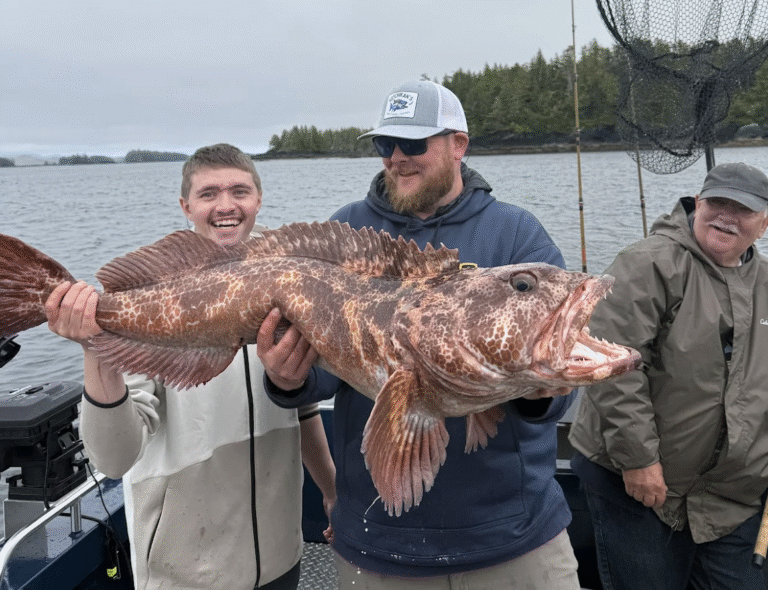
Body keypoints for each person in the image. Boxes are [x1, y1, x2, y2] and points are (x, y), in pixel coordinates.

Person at [257, 80, 581, 589]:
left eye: (413, 145)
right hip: (379, 544)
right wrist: (286, 378)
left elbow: (553, 393)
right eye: (386, 145)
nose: (397, 159)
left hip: (513, 536)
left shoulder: (515, 237)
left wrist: (544, 390)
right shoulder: (346, 234)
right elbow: (320, 382)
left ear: (459, 145)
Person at [44, 143, 336, 590]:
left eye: (239, 191)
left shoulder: (291, 287)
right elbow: (115, 458)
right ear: (185, 206)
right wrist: (94, 346)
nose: (226, 206)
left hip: (281, 561)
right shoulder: (158, 299)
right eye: (208, 194)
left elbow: (302, 407)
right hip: (186, 577)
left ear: (258, 199)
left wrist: (332, 490)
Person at [568, 162, 768, 590]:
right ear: (697, 204)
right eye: (717, 203)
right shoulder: (645, 264)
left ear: (764, 222)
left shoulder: (765, 283)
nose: (725, 217)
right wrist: (639, 460)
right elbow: (613, 371)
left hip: (733, 497)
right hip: (639, 488)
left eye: (743, 209)